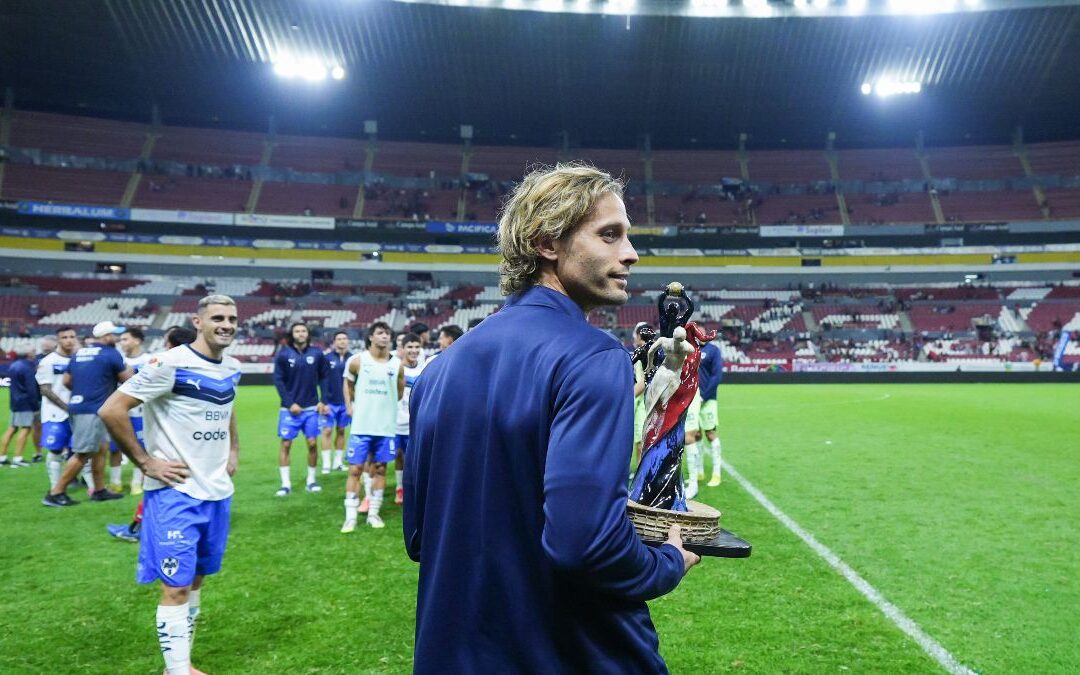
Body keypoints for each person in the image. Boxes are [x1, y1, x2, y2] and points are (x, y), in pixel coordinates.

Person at [404, 164, 699, 673]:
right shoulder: (592, 357)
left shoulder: (437, 372)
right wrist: (669, 559)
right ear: (546, 243)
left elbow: (419, 537)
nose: (630, 254)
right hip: (570, 652)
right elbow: (586, 545)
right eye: (609, 235)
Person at [99, 296, 241, 675]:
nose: (226, 324)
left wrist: (234, 450)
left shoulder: (232, 365)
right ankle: (178, 671)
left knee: (195, 580)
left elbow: (227, 407)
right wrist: (146, 462)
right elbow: (111, 409)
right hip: (175, 493)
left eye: (231, 318)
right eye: (217, 318)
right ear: (198, 321)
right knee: (175, 586)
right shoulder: (168, 364)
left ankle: (180, 664)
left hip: (216, 491)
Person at [107, 326, 197, 543]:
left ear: (173, 346)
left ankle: (139, 529)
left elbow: (111, 409)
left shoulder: (166, 366)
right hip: (193, 442)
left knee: (161, 480)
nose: (164, 347)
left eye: (167, 343)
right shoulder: (199, 369)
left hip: (170, 440)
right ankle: (137, 526)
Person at [43, 321, 132, 506]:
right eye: (115, 334)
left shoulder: (80, 353)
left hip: (78, 407)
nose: (116, 338)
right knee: (83, 453)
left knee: (100, 449)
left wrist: (86, 389)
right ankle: (55, 493)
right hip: (94, 409)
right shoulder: (110, 353)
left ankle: (99, 490)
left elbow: (68, 381)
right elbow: (128, 380)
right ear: (106, 337)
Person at [341, 321, 403, 531]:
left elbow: (400, 392)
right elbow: (348, 384)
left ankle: (373, 514)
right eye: (380, 333)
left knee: (380, 469)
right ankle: (350, 516)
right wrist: (350, 406)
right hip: (361, 427)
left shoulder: (396, 364)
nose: (385, 337)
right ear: (371, 337)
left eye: (387, 333)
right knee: (355, 469)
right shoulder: (358, 361)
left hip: (385, 428)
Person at [273, 322, 328, 496]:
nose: (301, 333)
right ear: (292, 334)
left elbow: (325, 377)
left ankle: (311, 480)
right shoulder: (283, 355)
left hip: (311, 408)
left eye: (303, 330)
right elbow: (278, 381)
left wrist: (323, 400)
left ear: (308, 334)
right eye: (297, 330)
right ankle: (285, 484)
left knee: (312, 444)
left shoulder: (317, 354)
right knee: (286, 444)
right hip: (289, 410)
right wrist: (290, 403)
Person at [110, 327, 152, 493]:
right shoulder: (117, 360)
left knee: (140, 448)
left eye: (125, 339)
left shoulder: (151, 360)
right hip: (119, 412)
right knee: (115, 449)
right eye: (121, 339)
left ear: (137, 340)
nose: (122, 342)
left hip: (142, 412)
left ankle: (136, 483)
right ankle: (115, 482)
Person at [36, 327, 78, 488]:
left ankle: (79, 482)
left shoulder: (78, 359)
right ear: (58, 340)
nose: (68, 340)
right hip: (55, 413)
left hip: (77, 411)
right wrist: (66, 407)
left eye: (72, 336)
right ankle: (56, 487)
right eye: (64, 337)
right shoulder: (48, 361)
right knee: (56, 449)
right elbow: (45, 389)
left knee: (81, 448)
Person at [393, 333, 424, 506]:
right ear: (402, 349)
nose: (413, 350)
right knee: (398, 456)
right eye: (410, 347)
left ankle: (413, 489)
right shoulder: (396, 368)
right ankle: (399, 487)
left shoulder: (424, 368)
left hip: (415, 423)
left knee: (413, 458)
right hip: (396, 421)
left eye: (416, 347)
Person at [319, 330, 353, 474]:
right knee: (327, 431)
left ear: (348, 341)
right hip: (329, 402)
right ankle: (326, 464)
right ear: (334, 342)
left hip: (346, 402)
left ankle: (338, 462)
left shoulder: (353, 359)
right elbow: (321, 380)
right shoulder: (326, 358)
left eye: (344, 339)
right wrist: (323, 401)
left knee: (341, 431)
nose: (342, 341)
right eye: (339, 339)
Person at [1, 346, 40, 467]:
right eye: (33, 351)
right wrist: (35, 405)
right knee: (26, 428)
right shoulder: (28, 367)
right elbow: (31, 388)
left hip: (15, 401)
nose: (35, 353)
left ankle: (2, 457)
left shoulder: (13, 365)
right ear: (28, 354)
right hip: (26, 403)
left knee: (12, 428)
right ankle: (17, 458)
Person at [697, 339, 724, 486]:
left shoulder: (713, 350)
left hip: (707, 400)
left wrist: (705, 396)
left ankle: (716, 474)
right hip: (693, 400)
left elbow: (716, 376)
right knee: (695, 435)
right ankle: (699, 471)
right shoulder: (690, 349)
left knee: (711, 434)